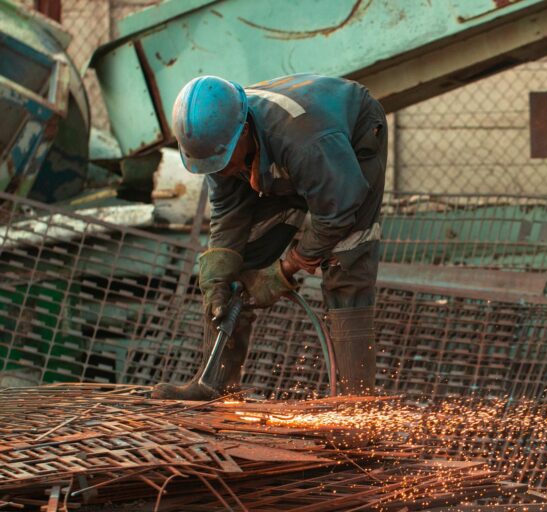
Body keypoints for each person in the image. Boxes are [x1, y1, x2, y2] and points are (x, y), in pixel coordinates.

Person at [151, 74, 387, 400]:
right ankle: (214, 384)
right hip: (289, 152)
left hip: (349, 139)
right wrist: (218, 272)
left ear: (243, 132)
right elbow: (228, 213)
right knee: (234, 269)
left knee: (346, 261)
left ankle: (356, 407)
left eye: (221, 162)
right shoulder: (218, 140)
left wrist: (286, 268)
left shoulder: (308, 144)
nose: (218, 171)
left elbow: (338, 212)